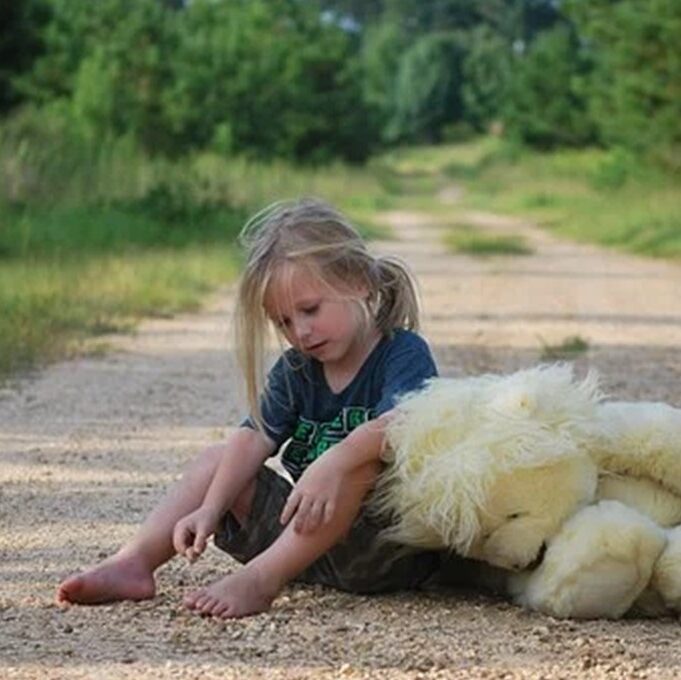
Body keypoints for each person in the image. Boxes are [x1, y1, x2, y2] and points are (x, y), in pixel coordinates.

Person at [56, 197, 441, 619]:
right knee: (217, 461)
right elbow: (254, 435)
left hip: (383, 551)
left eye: (310, 310)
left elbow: (402, 424)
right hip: (303, 543)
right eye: (284, 322)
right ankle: (134, 562)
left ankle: (261, 581)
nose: (302, 332)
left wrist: (334, 461)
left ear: (358, 282)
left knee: (361, 464)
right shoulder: (298, 368)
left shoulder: (400, 351)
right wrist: (211, 505)